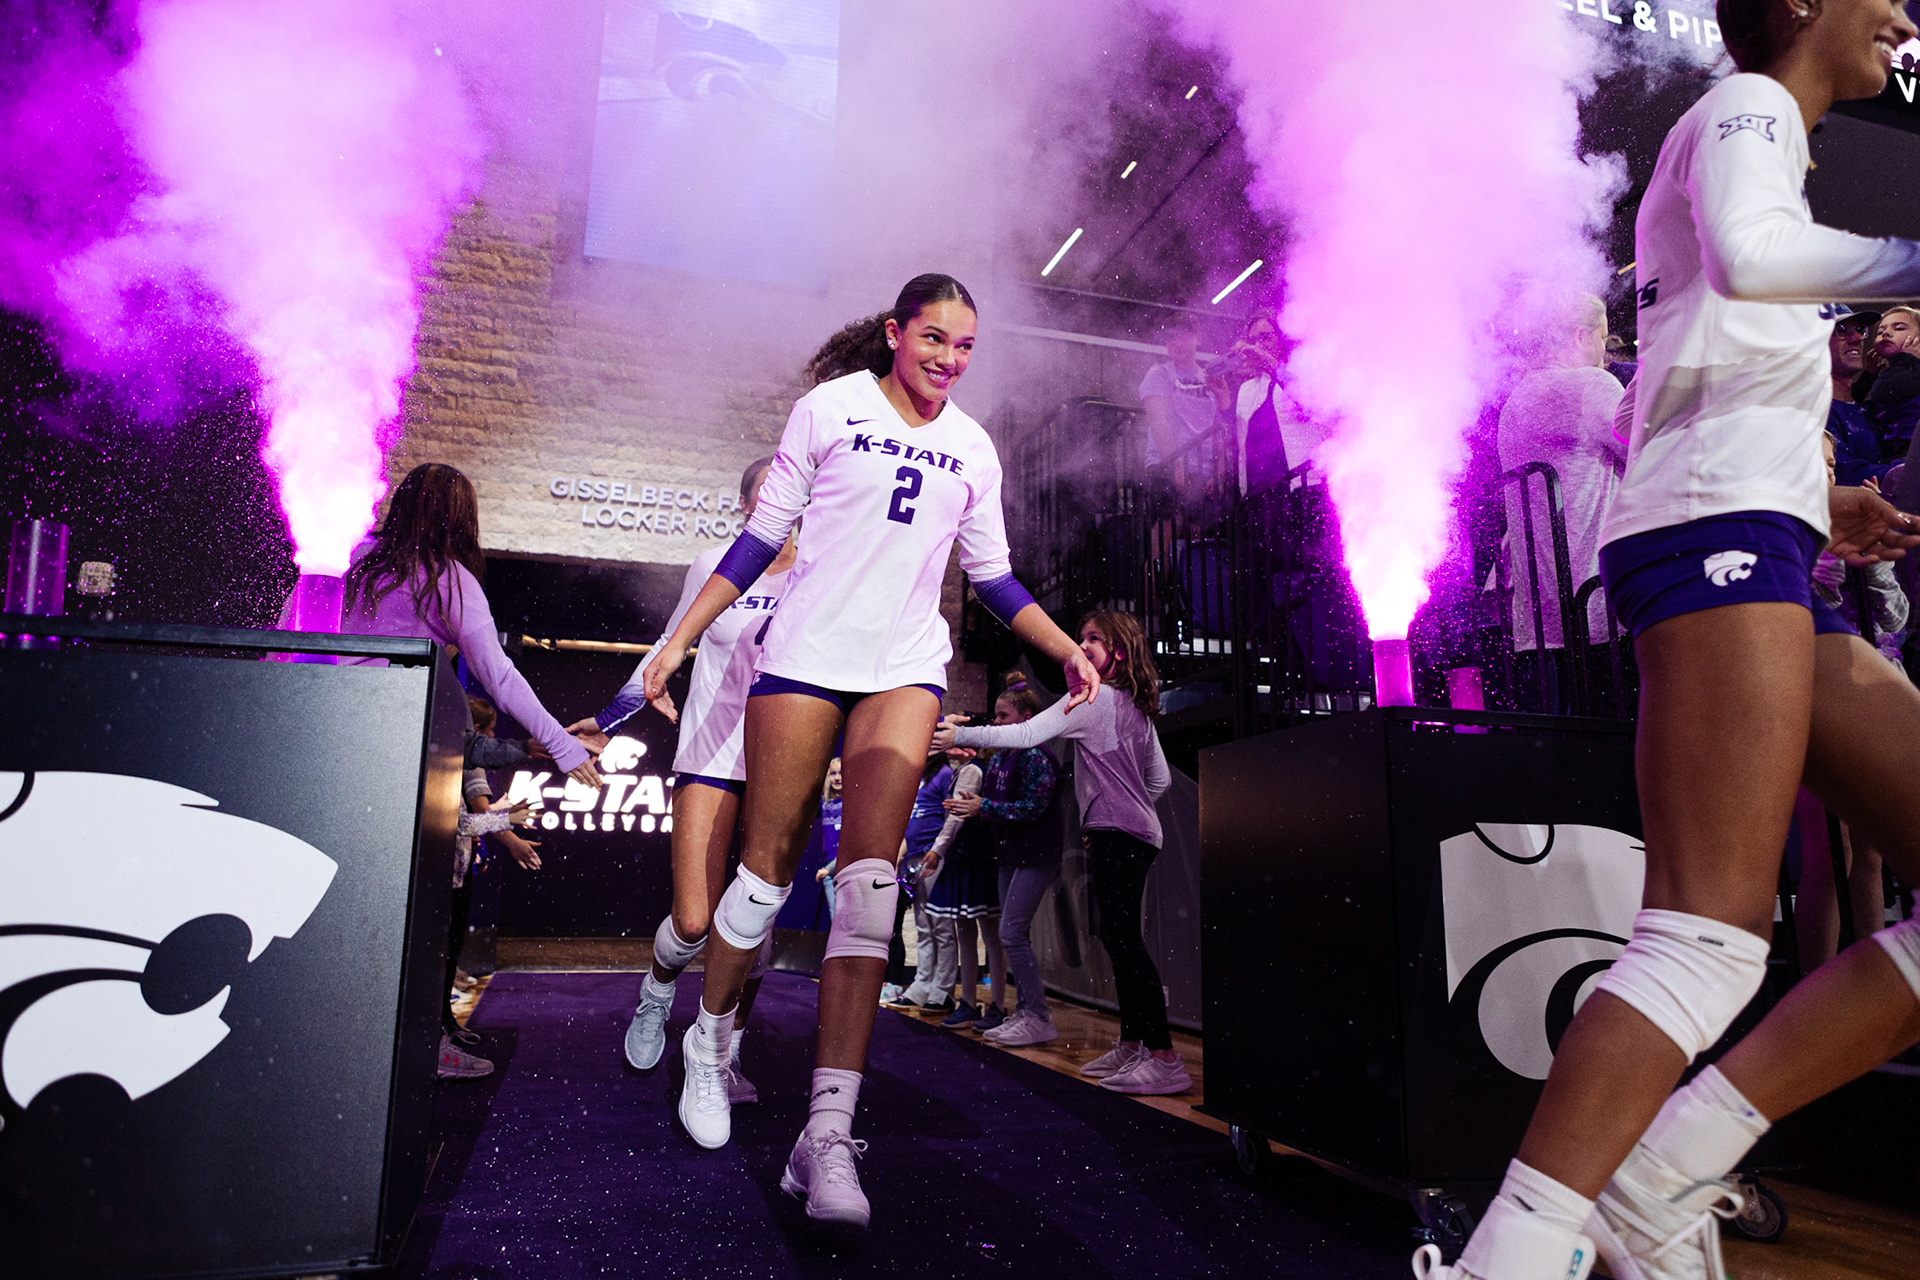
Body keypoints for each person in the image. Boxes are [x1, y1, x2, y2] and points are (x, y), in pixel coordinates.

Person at [1418, 4, 1920, 1277]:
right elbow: (1757, 260)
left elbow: (1687, 362)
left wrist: (1819, 496)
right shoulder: (1750, 108)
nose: (1910, 15)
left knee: (1711, 933)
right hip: (1714, 543)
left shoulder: (1742, 137)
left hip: (1749, 537)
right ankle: (1513, 1256)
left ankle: (1662, 1168)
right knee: (1703, 935)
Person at [638, 274, 1100, 1229]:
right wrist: (682, 636)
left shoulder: (974, 448)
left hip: (903, 666)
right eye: (934, 338)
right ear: (895, 334)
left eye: (966, 347)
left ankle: (828, 1136)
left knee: (870, 887)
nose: (949, 359)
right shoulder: (829, 409)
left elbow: (995, 578)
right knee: (763, 879)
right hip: (806, 656)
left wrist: (1060, 649)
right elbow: (759, 535)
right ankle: (708, 1041)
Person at [334, 463, 602, 1079]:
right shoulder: (447, 579)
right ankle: (418, 1051)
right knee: (416, 917)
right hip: (401, 756)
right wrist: (561, 746)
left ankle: (352, 1044)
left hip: (335, 748)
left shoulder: (355, 562)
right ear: (463, 520)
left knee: (357, 906)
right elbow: (498, 675)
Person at [568, 457, 796, 1106]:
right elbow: (669, 646)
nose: (785, 506)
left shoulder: (817, 577)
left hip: (782, 765)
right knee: (695, 920)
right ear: (749, 505)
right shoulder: (713, 565)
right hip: (708, 755)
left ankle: (722, 1057)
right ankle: (657, 990)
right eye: (770, 495)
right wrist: (609, 718)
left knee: (757, 931)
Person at [934, 610, 1181, 1094]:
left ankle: (1165, 1058)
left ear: (1119, 652)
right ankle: (1133, 1045)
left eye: (1095, 639)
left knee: (1126, 944)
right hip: (1134, 834)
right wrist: (1122, 811)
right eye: (1081, 637)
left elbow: (1025, 734)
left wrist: (960, 734)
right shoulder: (1136, 708)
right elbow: (1161, 780)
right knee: (1119, 941)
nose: (1081, 644)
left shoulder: (1092, 699)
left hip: (1120, 834)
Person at [1496, 293, 1626, 673]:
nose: (1606, 350)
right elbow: (1651, 451)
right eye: (1603, 338)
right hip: (1598, 603)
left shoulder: (1515, 401)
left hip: (1539, 614)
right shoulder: (1592, 386)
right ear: (1580, 336)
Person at [965, 673, 1065, 1048]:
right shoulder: (1002, 759)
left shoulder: (1038, 756)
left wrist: (983, 807)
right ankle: (1026, 1011)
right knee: (1012, 934)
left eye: (1003, 717)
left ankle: (1037, 1015)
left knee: (1010, 933)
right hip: (1011, 854)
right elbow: (995, 805)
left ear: (1025, 719)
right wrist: (975, 807)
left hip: (1035, 854)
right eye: (995, 716)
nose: (996, 723)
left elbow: (1033, 807)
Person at [921, 753, 1005, 1031]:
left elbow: (956, 818)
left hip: (975, 856)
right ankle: (969, 1002)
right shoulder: (964, 770)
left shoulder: (973, 771)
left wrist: (937, 850)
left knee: (988, 932)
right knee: (966, 931)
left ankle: (997, 1004)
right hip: (964, 856)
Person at [1138, 318, 1220, 498]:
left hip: (1203, 467)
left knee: (1198, 526)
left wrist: (1217, 471)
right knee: (1169, 523)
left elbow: (1218, 426)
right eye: (1171, 339)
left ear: (1198, 338)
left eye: (1183, 337)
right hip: (1166, 462)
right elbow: (1157, 420)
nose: (1176, 344)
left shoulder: (1211, 378)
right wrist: (1174, 466)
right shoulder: (1160, 373)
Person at [1826, 309, 1887, 485]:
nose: (1858, 338)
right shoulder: (1814, 411)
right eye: (1842, 330)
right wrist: (1904, 470)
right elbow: (1844, 473)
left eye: (1860, 329)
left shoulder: (1867, 408)